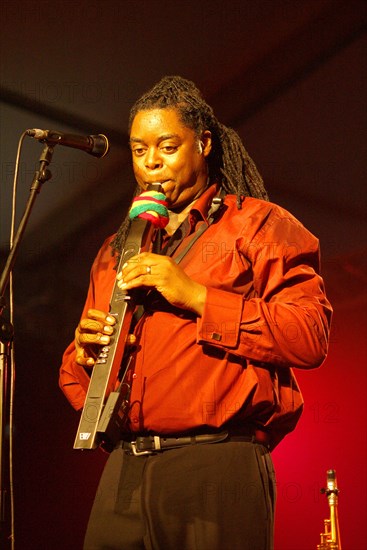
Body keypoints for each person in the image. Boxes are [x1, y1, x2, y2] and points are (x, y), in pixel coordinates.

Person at [59, 76, 332, 550]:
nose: (151, 163)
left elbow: (310, 336)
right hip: (125, 466)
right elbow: (74, 380)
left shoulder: (259, 224)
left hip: (217, 462)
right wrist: (83, 354)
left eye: (167, 146)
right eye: (139, 150)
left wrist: (196, 296)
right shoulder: (115, 249)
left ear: (204, 143)